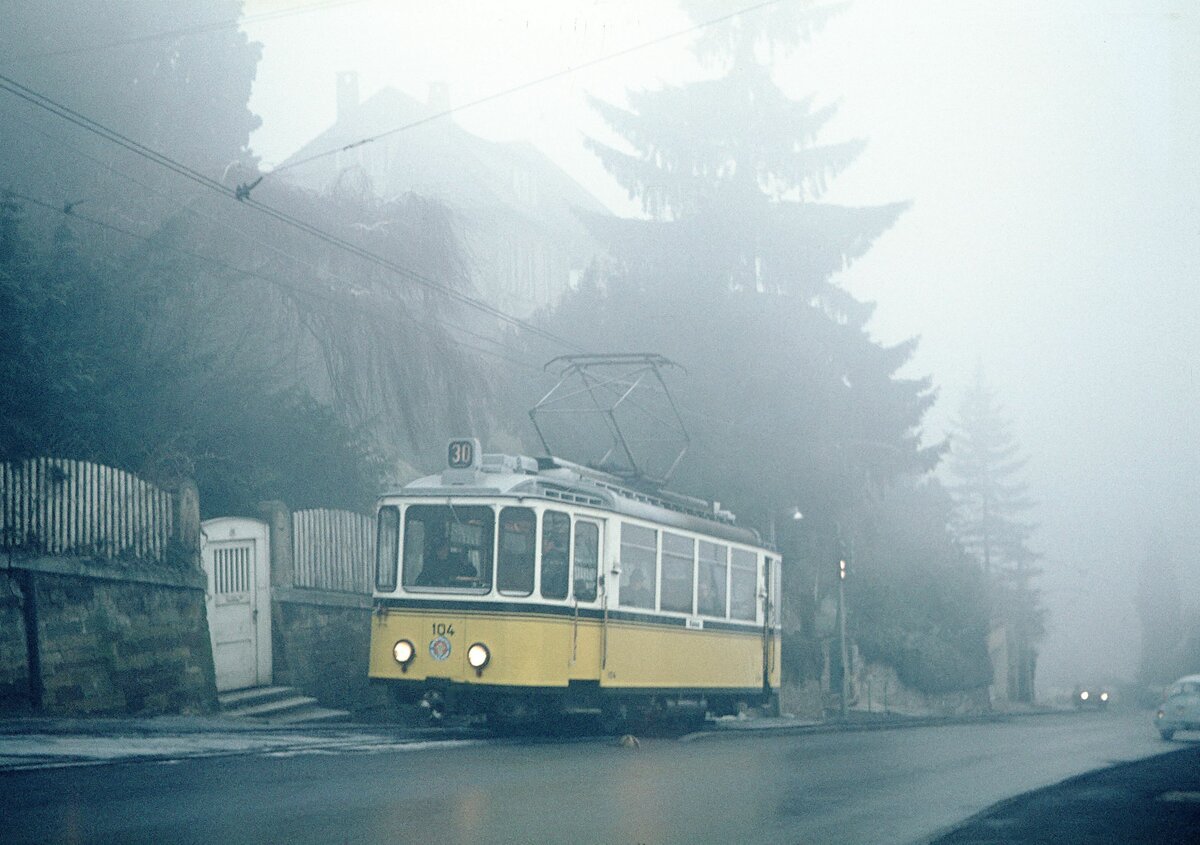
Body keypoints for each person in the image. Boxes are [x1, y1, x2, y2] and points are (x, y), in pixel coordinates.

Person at [541, 534, 568, 599]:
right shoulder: (546, 556)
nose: (542, 546)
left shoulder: (553, 557)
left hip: (553, 595)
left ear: (551, 544)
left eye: (546, 543)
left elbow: (548, 576)